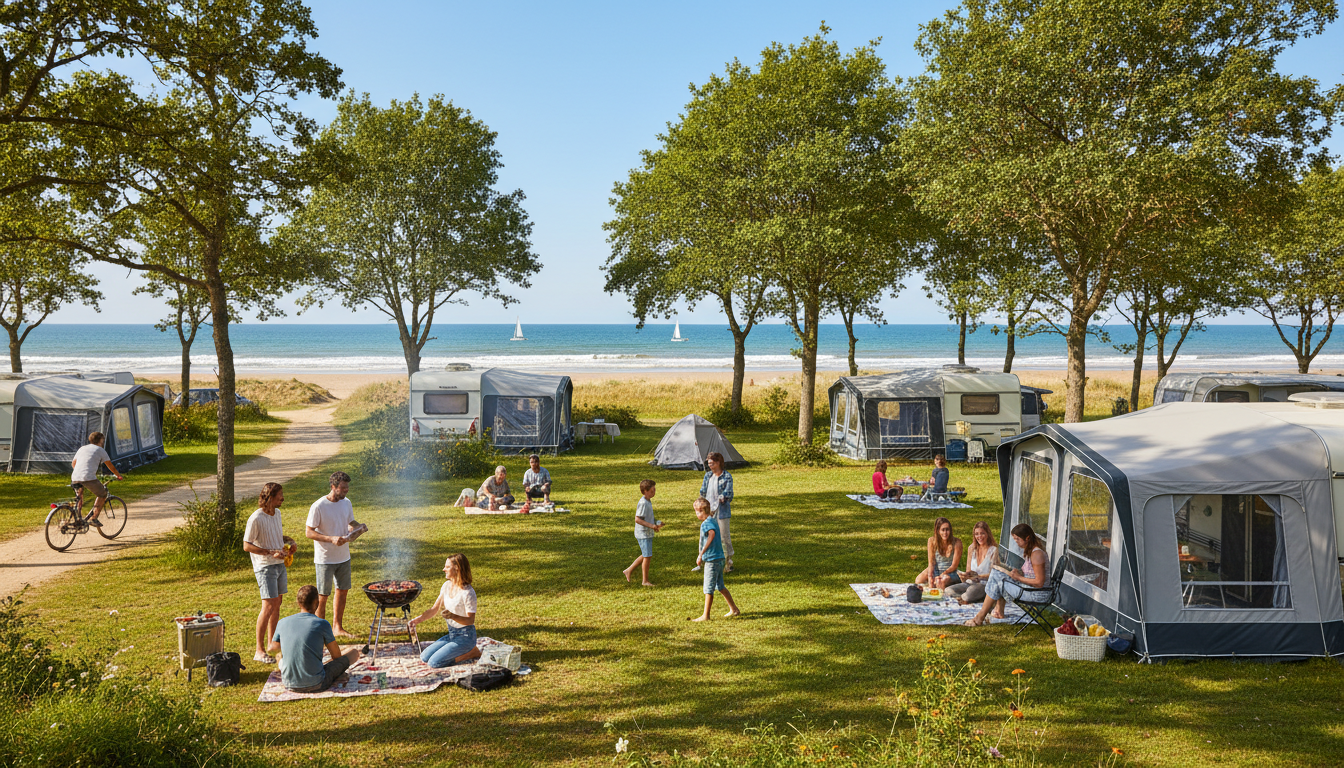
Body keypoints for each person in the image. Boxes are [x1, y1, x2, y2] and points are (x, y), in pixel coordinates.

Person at [268, 585, 362, 693]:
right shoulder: (322, 624)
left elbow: (273, 649)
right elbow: (336, 656)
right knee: (353, 653)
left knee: (280, 656)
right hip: (317, 683)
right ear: (316, 602)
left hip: (289, 683)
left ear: (298, 603)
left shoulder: (282, 622)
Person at [243, 482, 297, 664]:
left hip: (279, 564)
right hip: (265, 566)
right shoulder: (256, 518)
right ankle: (259, 651)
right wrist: (269, 552)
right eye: (280, 495)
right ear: (270, 497)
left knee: (277, 603)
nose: (283, 498)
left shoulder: (277, 513)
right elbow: (247, 545)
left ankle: (272, 643)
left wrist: (290, 541)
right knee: (268, 606)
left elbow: (275, 535)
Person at [306, 471, 362, 638]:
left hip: (344, 556)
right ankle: (320, 632)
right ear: (333, 487)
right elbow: (309, 532)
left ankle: (338, 627)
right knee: (323, 596)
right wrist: (330, 539)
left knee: (342, 591)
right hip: (325, 558)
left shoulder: (346, 502)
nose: (346, 491)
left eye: (347, 488)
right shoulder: (318, 506)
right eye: (343, 488)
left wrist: (359, 527)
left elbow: (351, 522)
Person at [966, 523, 1049, 626]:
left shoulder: (1037, 554)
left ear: (1027, 538)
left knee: (997, 577)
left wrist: (1019, 577)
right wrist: (1018, 574)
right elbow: (1032, 575)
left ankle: (980, 617)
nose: (1016, 542)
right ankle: (996, 612)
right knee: (998, 574)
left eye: (1017, 539)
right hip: (1029, 589)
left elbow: (1039, 582)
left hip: (1036, 594)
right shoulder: (1031, 551)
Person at [409, 554, 483, 668]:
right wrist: (416, 620)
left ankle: (472, 652)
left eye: (447, 567)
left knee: (434, 663)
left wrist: (453, 616)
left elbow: (470, 621)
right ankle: (461, 650)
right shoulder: (446, 586)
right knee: (424, 657)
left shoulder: (468, 592)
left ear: (457, 568)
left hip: (466, 636)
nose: (443, 569)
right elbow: (434, 609)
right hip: (452, 634)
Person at [691, 497, 740, 621]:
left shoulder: (707, 523)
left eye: (697, 511)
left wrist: (701, 554)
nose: (696, 514)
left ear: (702, 511)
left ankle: (705, 615)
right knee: (720, 586)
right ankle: (734, 609)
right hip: (719, 558)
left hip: (712, 560)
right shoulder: (712, 520)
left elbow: (711, 534)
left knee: (708, 588)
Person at [69, 432, 124, 527]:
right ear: (101, 440)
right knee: (102, 494)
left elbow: (73, 463)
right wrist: (118, 475)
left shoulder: (82, 448)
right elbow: (110, 466)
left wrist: (80, 472)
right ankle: (93, 518)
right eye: (103, 440)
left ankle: (78, 519)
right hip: (88, 477)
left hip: (75, 476)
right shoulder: (100, 450)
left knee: (79, 498)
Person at [698, 451, 736, 572]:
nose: (710, 466)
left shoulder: (727, 476)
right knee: (705, 536)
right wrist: (700, 503)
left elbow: (729, 493)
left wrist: (722, 497)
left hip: (722, 511)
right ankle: (702, 561)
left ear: (719, 463)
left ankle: (728, 563)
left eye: (712, 463)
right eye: (709, 463)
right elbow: (703, 491)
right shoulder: (708, 476)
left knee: (724, 537)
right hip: (708, 511)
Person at [947, 521, 998, 604]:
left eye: (982, 533)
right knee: (948, 590)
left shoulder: (993, 550)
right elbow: (968, 571)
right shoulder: (971, 548)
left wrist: (979, 577)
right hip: (970, 583)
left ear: (987, 534)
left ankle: (965, 598)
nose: (979, 536)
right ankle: (964, 599)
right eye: (977, 534)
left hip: (984, 584)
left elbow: (995, 575)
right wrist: (964, 576)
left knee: (969, 594)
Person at [623, 479, 662, 586]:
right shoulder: (643, 503)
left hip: (647, 533)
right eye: (652, 490)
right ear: (645, 491)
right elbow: (637, 519)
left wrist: (657, 523)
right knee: (647, 556)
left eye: (654, 490)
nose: (654, 492)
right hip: (643, 534)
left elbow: (647, 517)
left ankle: (629, 570)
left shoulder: (648, 501)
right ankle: (645, 581)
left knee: (647, 555)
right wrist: (652, 526)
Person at [915, 517, 963, 589]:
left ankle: (943, 590)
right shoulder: (932, 541)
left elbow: (954, 566)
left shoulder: (957, 542)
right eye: (943, 530)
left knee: (940, 581)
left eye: (947, 529)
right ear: (938, 531)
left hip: (950, 572)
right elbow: (931, 563)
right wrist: (930, 577)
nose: (945, 533)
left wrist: (941, 575)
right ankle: (933, 585)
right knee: (918, 580)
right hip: (936, 569)